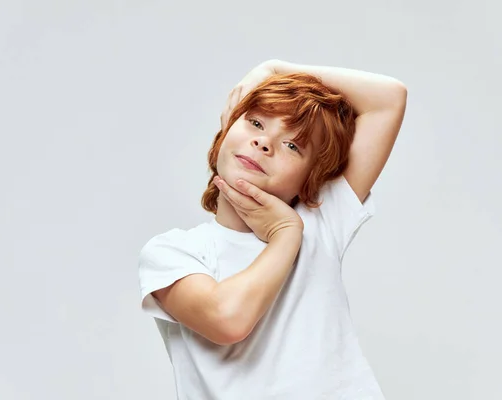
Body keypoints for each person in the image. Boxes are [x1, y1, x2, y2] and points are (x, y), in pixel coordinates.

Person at [139, 59, 407, 399]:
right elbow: (227, 320)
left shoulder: (322, 219)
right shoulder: (174, 252)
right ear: (227, 126)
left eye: (293, 146)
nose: (265, 143)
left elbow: (389, 99)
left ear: (310, 181)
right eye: (255, 122)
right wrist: (285, 235)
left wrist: (273, 68)